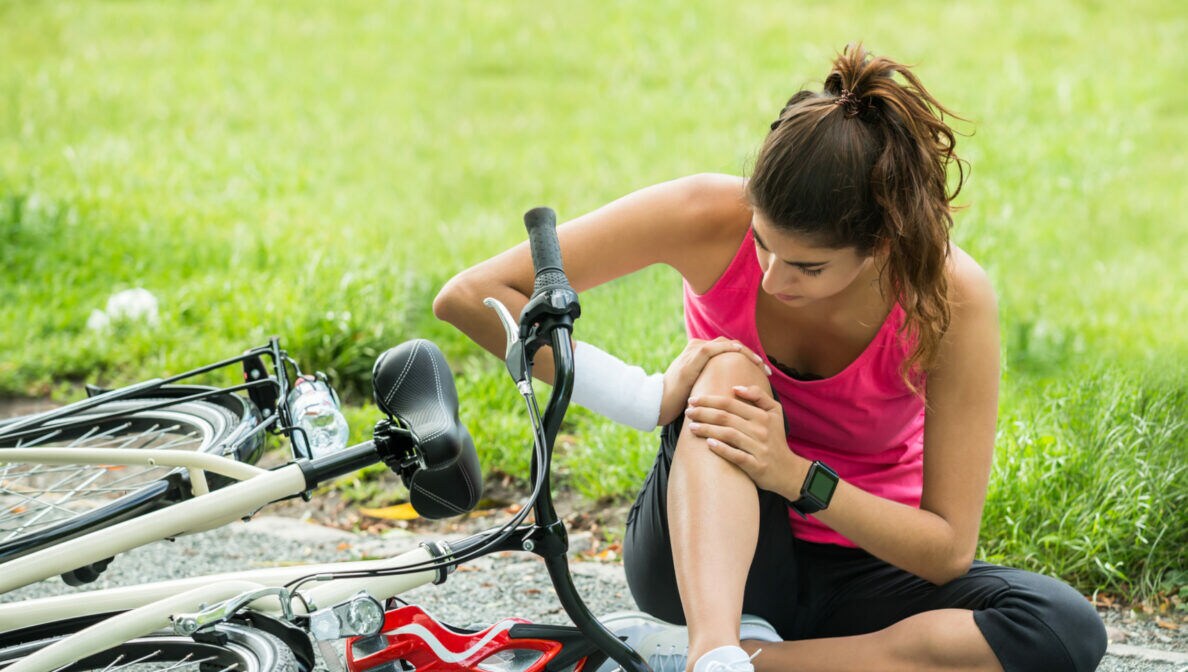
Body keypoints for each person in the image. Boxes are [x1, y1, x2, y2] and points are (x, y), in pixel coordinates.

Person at [434, 45, 1106, 672]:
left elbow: (947, 550)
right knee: (730, 370)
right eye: (762, 243)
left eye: (808, 267)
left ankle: (736, 663)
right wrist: (644, 396)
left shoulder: (949, 297)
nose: (770, 279)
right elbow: (473, 295)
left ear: (881, 245)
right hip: (707, 560)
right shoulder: (704, 213)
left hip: (864, 565)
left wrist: (794, 475)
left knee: (1062, 627)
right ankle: (716, 644)